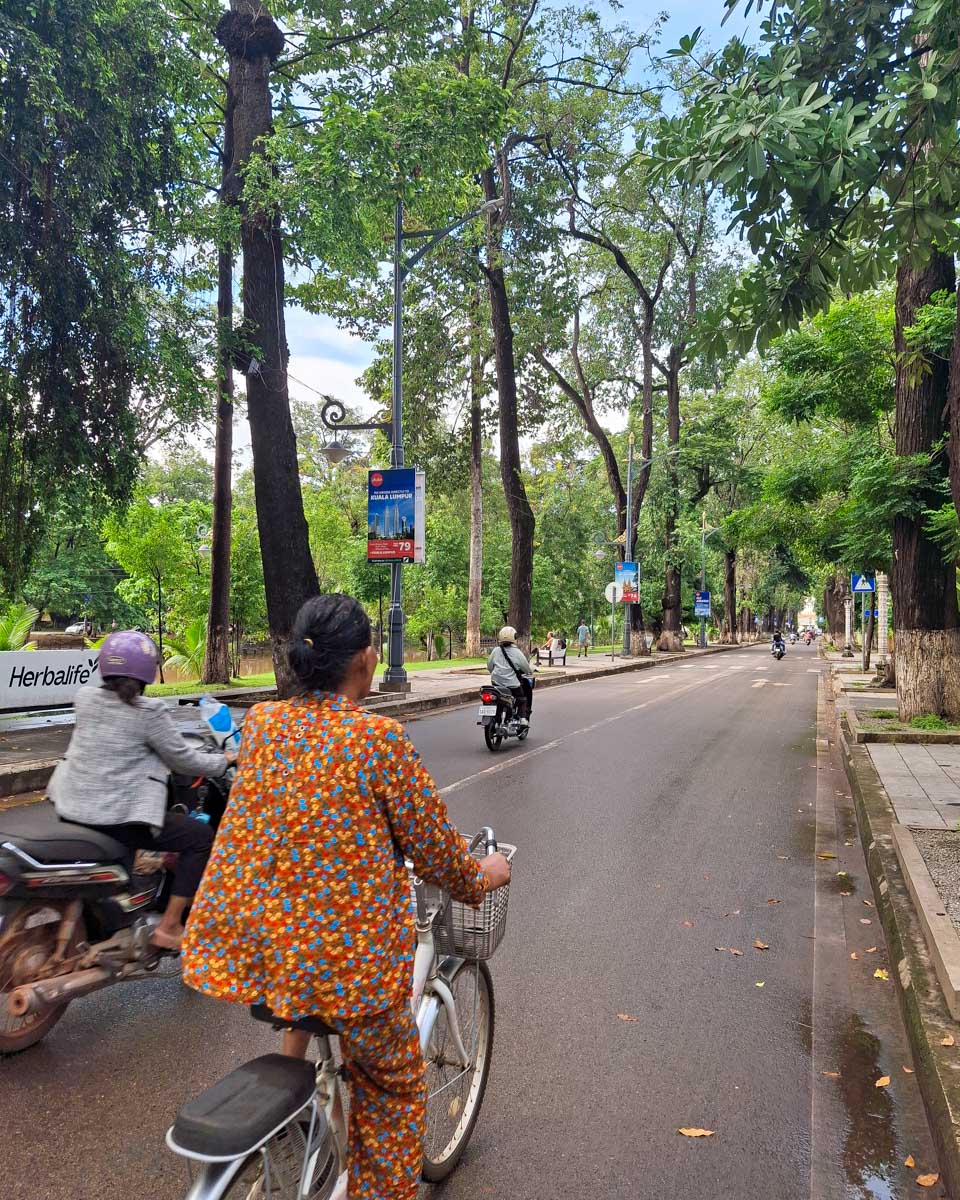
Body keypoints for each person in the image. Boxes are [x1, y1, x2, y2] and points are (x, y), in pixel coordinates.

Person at [182, 594, 511, 1200]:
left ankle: (296, 1101)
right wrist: (486, 873)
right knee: (393, 1086)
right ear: (365, 658)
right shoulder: (378, 741)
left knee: (311, 988)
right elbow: (440, 856)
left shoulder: (262, 724)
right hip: (349, 969)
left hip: (260, 954)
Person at [48, 630, 232, 951]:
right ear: (147, 673)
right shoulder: (149, 712)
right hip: (116, 817)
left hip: (72, 806)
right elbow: (184, 759)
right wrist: (225, 759)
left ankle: (126, 907)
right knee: (199, 839)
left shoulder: (85, 698)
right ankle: (170, 926)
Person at [488, 625, 534, 726]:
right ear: (514, 637)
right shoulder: (517, 652)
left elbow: (490, 667)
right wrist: (530, 671)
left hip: (496, 683)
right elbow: (526, 669)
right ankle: (522, 719)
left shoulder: (495, 651)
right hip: (512, 685)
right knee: (522, 699)